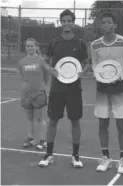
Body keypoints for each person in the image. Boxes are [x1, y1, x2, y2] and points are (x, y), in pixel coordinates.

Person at [38, 9, 89, 168]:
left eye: (69, 21)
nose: (67, 24)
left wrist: (84, 71)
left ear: (73, 23)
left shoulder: (80, 43)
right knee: (53, 120)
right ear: (61, 23)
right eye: (64, 21)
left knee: (75, 121)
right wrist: (50, 69)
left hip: (74, 89)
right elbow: (45, 62)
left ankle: (75, 156)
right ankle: (49, 154)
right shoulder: (54, 42)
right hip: (56, 89)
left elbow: (87, 63)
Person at [91, 12, 123, 174]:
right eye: (103, 23)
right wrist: (98, 74)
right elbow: (94, 64)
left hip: (120, 88)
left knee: (121, 125)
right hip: (102, 89)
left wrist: (121, 76)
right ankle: (106, 158)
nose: (105, 25)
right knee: (103, 124)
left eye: (108, 22)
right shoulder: (95, 45)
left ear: (114, 25)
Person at [19, 38, 56, 150]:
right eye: (28, 46)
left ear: (36, 47)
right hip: (26, 94)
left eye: (32, 46)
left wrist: (41, 87)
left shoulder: (41, 60)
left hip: (39, 93)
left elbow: (47, 74)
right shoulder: (22, 61)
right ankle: (30, 139)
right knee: (30, 118)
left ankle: (43, 140)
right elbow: (23, 75)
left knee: (39, 119)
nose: (30, 48)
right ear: (25, 48)